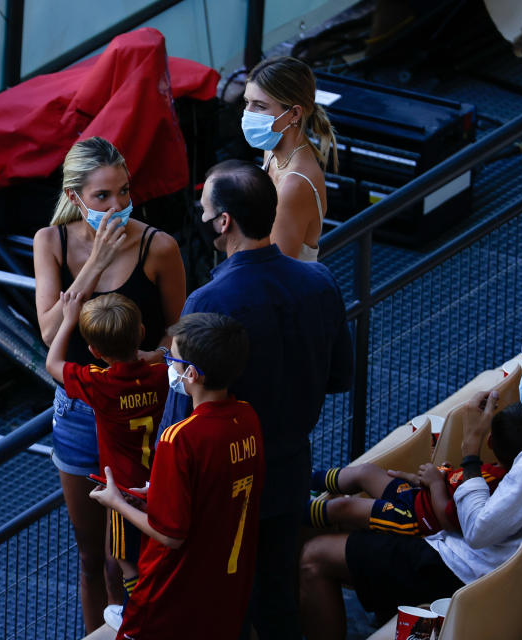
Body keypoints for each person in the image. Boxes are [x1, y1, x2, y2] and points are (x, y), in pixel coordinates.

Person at [299, 318, 522, 640]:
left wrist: (471, 452)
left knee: (313, 556)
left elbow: (478, 531)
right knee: (379, 513)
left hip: (464, 573)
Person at [160, 159, 353, 639]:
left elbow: (180, 418)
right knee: (277, 602)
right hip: (289, 476)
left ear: (223, 221)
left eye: (206, 211)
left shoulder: (206, 302)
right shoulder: (320, 281)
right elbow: (339, 376)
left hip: (225, 489)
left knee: (224, 611)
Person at [33, 136, 186, 631]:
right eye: (103, 196)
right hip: (79, 413)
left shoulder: (157, 246)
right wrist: (94, 264)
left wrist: (154, 354)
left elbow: (179, 331)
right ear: (75, 197)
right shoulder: (50, 242)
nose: (117, 205)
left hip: (143, 409)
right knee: (90, 554)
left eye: (124, 191)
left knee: (133, 551)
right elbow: (50, 333)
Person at [91, 312, 265, 639]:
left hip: (171, 591)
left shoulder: (180, 437)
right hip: (225, 585)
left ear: (192, 375)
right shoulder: (248, 417)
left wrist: (117, 502)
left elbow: (170, 535)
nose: (169, 365)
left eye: (174, 359)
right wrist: (156, 494)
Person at [45, 291, 169, 623]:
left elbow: (52, 364)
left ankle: (137, 618)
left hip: (124, 491)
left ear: (94, 353)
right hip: (158, 481)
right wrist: (157, 353)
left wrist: (69, 319)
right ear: (141, 332)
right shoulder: (162, 375)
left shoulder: (99, 383)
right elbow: (172, 356)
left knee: (122, 561)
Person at [306, 402, 522, 536]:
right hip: (416, 497)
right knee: (365, 471)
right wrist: (426, 480)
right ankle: (304, 480)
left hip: (417, 521)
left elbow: (451, 520)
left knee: (344, 506)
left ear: (490, 442)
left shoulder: (496, 483)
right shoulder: (494, 470)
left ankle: (298, 513)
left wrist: (435, 484)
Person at [242, 56, 338, 260]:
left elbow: (274, 271)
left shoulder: (294, 186)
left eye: (259, 106)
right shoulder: (272, 148)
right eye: (247, 102)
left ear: (294, 113)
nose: (247, 113)